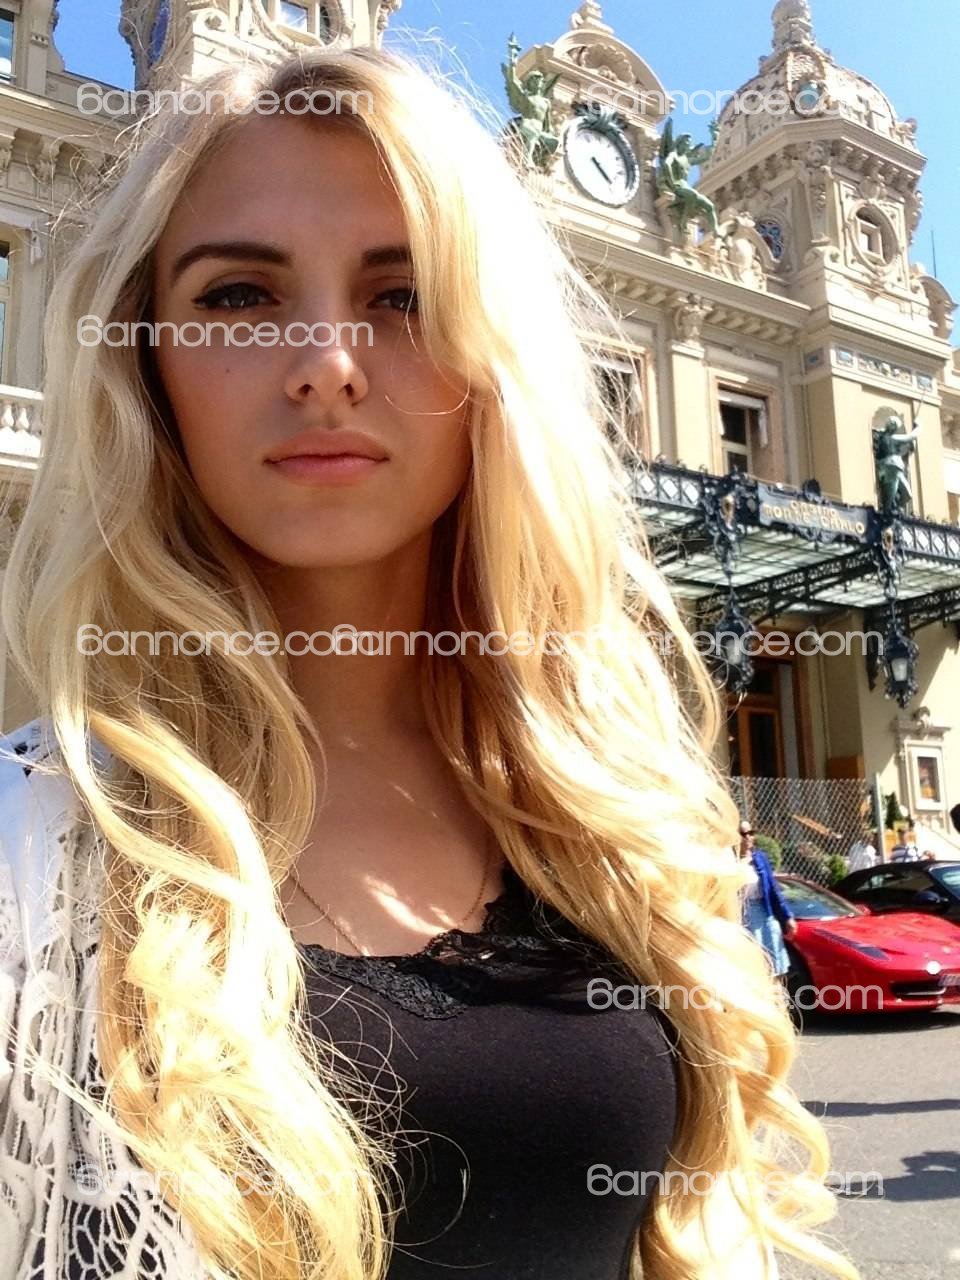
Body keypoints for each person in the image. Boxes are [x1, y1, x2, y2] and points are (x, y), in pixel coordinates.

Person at [0, 46, 860, 1280]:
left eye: (403, 295)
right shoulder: (31, 853)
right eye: (238, 295)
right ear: (146, 357)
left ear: (494, 364)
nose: (326, 362)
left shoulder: (623, 818)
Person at [736, 821, 798, 995]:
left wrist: (787, 916)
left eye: (751, 833)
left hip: (763, 913)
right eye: (743, 834)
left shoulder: (759, 858)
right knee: (753, 966)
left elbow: (772, 889)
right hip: (741, 915)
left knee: (775, 964)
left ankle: (779, 1001)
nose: (748, 837)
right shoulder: (730, 862)